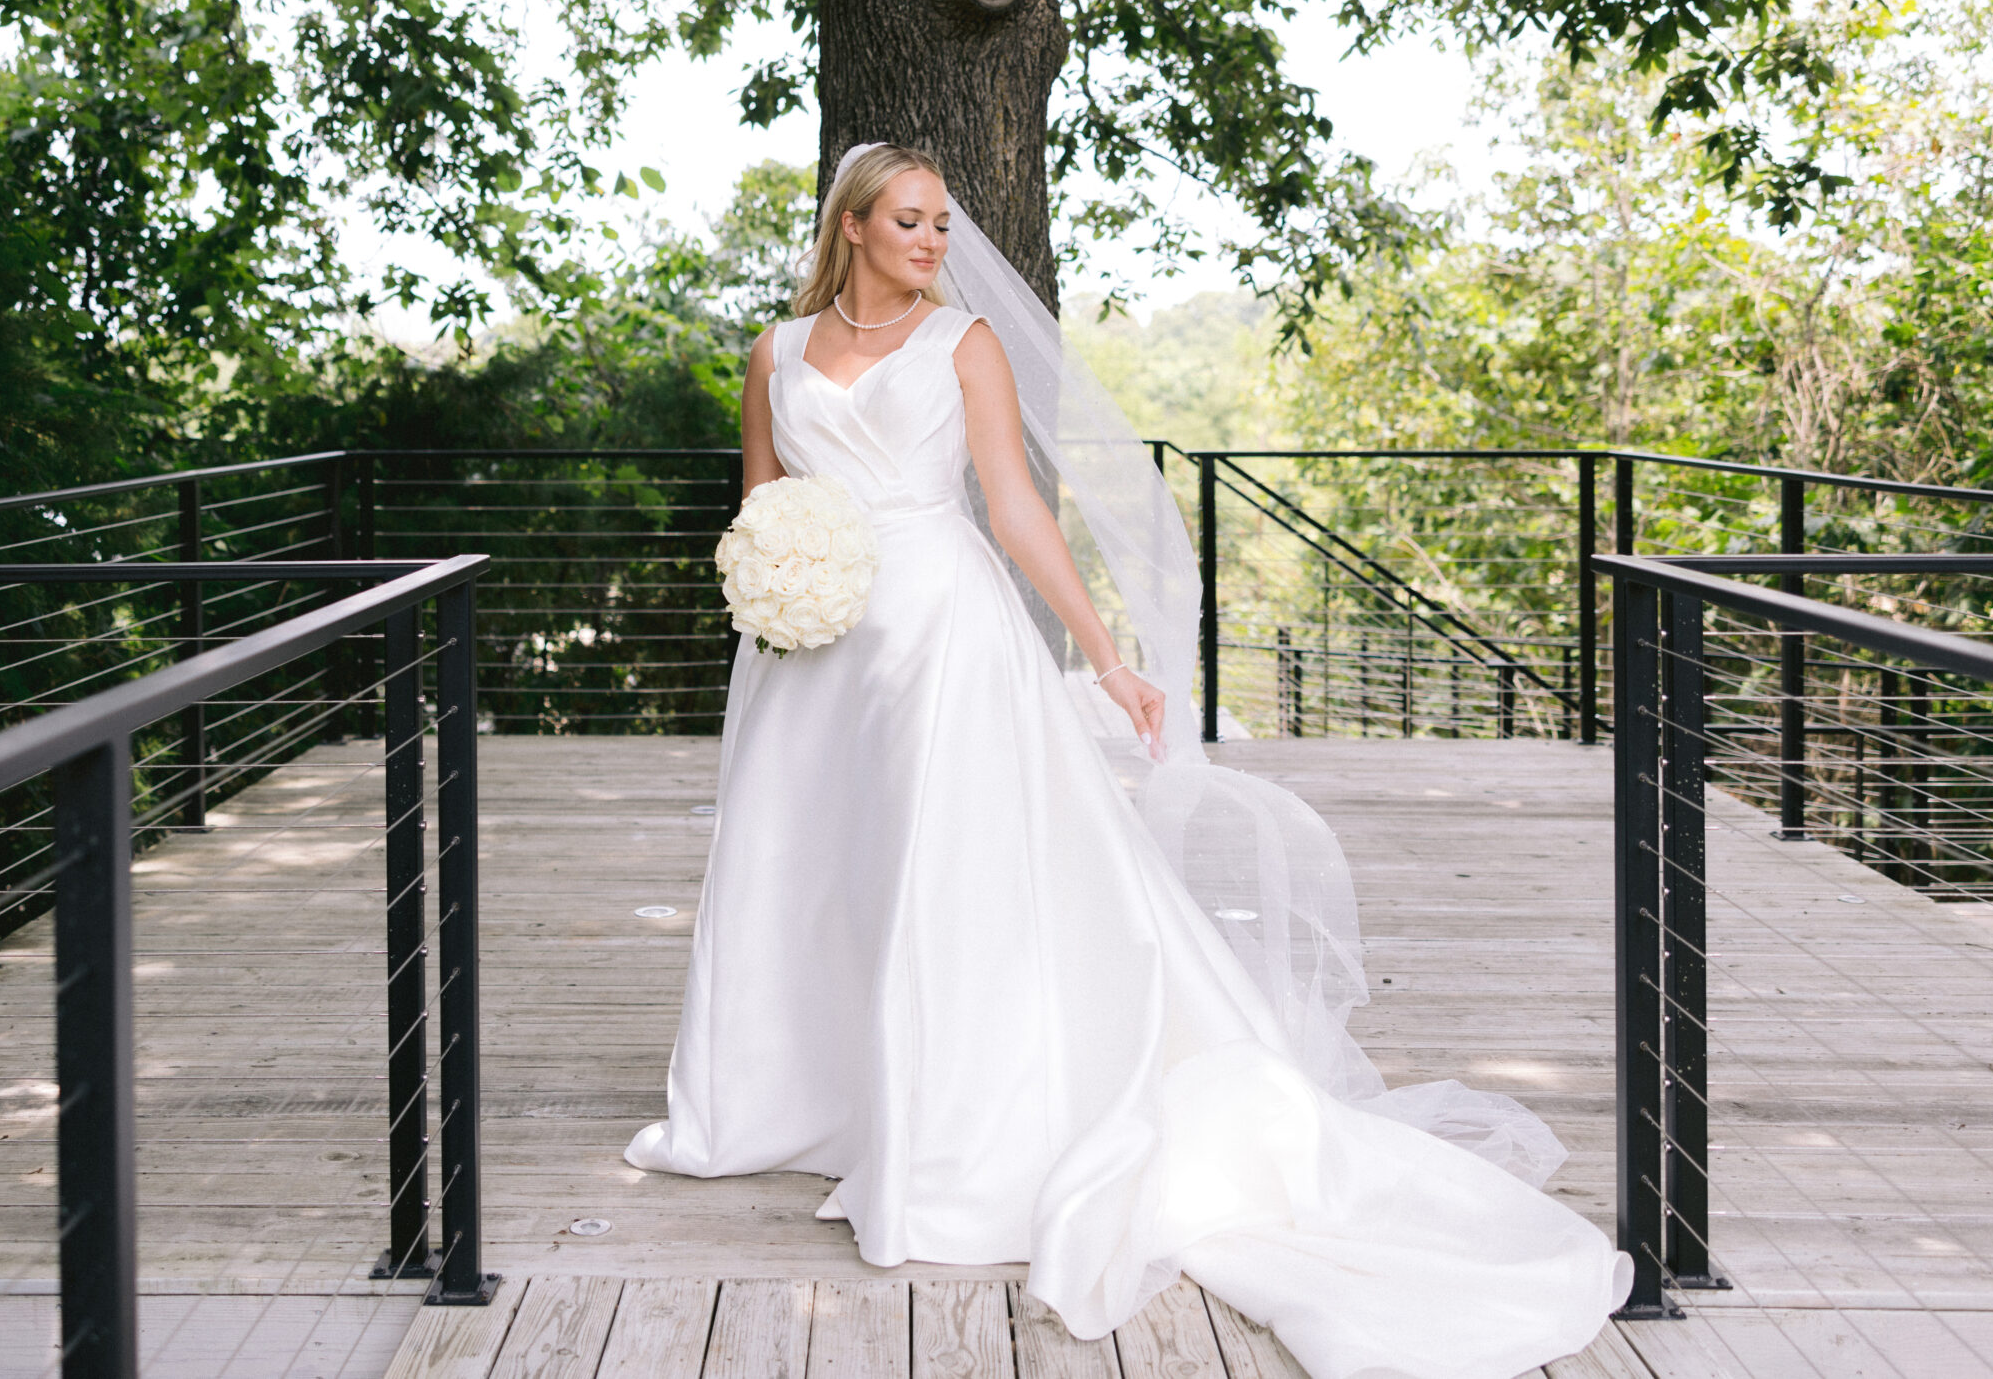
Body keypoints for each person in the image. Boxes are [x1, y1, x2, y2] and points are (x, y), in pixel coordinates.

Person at [625, 144, 1627, 1379]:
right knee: (808, 874)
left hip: (940, 639)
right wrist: (772, 590)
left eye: (943, 221)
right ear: (852, 227)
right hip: (807, 653)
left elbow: (1014, 505)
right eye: (910, 220)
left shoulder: (965, 346)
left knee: (941, 879)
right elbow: (762, 500)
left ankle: (940, 1132)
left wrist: (1104, 655)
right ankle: (798, 1096)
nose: (934, 240)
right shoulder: (774, 353)